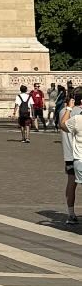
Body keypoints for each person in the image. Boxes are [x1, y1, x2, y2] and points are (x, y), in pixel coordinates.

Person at [59, 90, 82, 228]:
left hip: (69, 154)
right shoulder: (79, 114)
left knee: (71, 184)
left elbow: (62, 125)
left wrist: (68, 107)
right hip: (78, 153)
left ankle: (71, 213)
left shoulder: (63, 112)